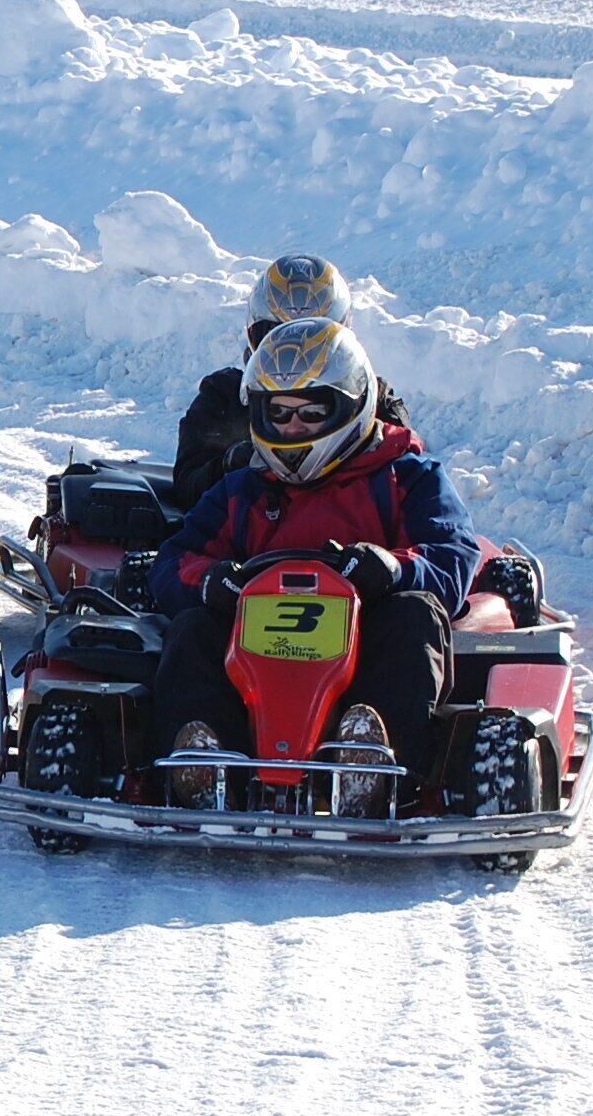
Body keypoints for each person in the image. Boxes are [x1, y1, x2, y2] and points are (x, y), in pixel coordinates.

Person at [147, 319, 480, 809]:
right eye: (279, 413)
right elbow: (173, 560)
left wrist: (391, 568)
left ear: (349, 407)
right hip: (254, 663)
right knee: (193, 627)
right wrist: (211, 581)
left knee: (415, 615)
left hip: (365, 653)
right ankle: (206, 762)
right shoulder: (245, 488)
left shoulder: (406, 475)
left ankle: (372, 764)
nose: (293, 428)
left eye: (310, 413)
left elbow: (452, 557)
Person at [170, 253, 412, 512]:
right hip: (252, 542)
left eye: (313, 335)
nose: (293, 350)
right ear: (254, 331)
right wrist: (230, 464)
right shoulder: (225, 395)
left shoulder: (366, 398)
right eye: (276, 332)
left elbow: (410, 487)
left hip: (349, 536)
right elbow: (187, 490)